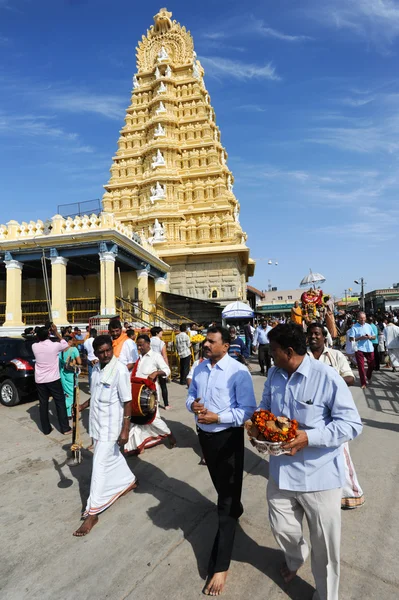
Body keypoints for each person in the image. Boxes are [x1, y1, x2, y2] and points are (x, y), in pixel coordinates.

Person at [260, 323, 362, 600]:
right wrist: (259, 425)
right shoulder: (275, 375)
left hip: (320, 477)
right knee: (282, 527)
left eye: (274, 350)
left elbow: (351, 425)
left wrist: (309, 437)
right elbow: (265, 407)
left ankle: (326, 595)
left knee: (326, 548)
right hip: (281, 471)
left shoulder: (326, 377)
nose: (270, 355)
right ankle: (296, 557)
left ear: (289, 351)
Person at [186, 326, 257, 596]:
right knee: (225, 492)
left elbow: (247, 410)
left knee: (224, 502)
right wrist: (192, 406)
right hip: (205, 438)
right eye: (205, 340)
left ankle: (221, 565)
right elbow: (190, 396)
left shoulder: (238, 372)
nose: (205, 344)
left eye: (211, 341)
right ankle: (235, 507)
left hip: (228, 439)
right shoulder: (200, 367)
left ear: (226, 346)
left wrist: (218, 418)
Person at [73, 335, 137, 536]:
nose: (106, 354)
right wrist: (82, 406)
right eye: (101, 351)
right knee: (112, 458)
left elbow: (127, 401)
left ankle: (93, 512)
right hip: (96, 425)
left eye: (108, 350)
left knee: (98, 465)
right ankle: (129, 480)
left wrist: (125, 429)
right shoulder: (95, 371)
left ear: (111, 349)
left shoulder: (119, 370)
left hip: (112, 427)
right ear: (96, 353)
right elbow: (96, 395)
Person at [307, 322, 365, 509]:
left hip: (335, 411)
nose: (314, 337)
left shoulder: (335, 355)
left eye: (317, 334)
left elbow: (350, 378)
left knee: (341, 452)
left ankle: (351, 494)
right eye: (310, 334)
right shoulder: (303, 357)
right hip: (311, 413)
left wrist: (330, 381)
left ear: (324, 337)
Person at [124, 334, 176, 454]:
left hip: (150, 396)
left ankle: (169, 434)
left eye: (141, 345)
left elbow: (167, 371)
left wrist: (156, 373)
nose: (140, 347)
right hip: (137, 395)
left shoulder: (155, 356)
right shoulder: (139, 358)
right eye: (138, 345)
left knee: (154, 420)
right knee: (135, 420)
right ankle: (135, 447)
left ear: (148, 344)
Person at [32, 325, 72, 436]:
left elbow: (38, 339)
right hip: (53, 379)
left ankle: (46, 429)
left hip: (40, 379)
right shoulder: (54, 346)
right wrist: (57, 333)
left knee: (43, 403)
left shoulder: (34, 346)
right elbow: (65, 344)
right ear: (49, 334)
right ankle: (65, 428)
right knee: (60, 402)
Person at [349, 312, 375, 388]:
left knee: (372, 365)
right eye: (361, 318)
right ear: (358, 318)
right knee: (361, 366)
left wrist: (370, 337)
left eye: (364, 318)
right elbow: (351, 339)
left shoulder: (369, 326)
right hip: (359, 348)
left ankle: (368, 375)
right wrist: (360, 338)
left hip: (369, 347)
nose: (363, 319)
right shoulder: (354, 327)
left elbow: (374, 337)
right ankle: (363, 383)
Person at [59, 335, 82, 419]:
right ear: (69, 342)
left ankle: (68, 413)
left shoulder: (60, 351)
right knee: (72, 394)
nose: (72, 342)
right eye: (71, 341)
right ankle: (68, 410)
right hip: (71, 375)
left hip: (62, 374)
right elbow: (79, 362)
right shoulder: (74, 349)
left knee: (66, 394)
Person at [150, 326, 171, 409]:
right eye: (161, 332)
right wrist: (167, 366)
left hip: (151, 365)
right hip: (160, 365)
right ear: (157, 333)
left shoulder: (148, 341)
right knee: (163, 385)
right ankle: (166, 404)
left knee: (152, 385)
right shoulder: (161, 343)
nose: (162, 333)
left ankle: (153, 403)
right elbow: (164, 356)